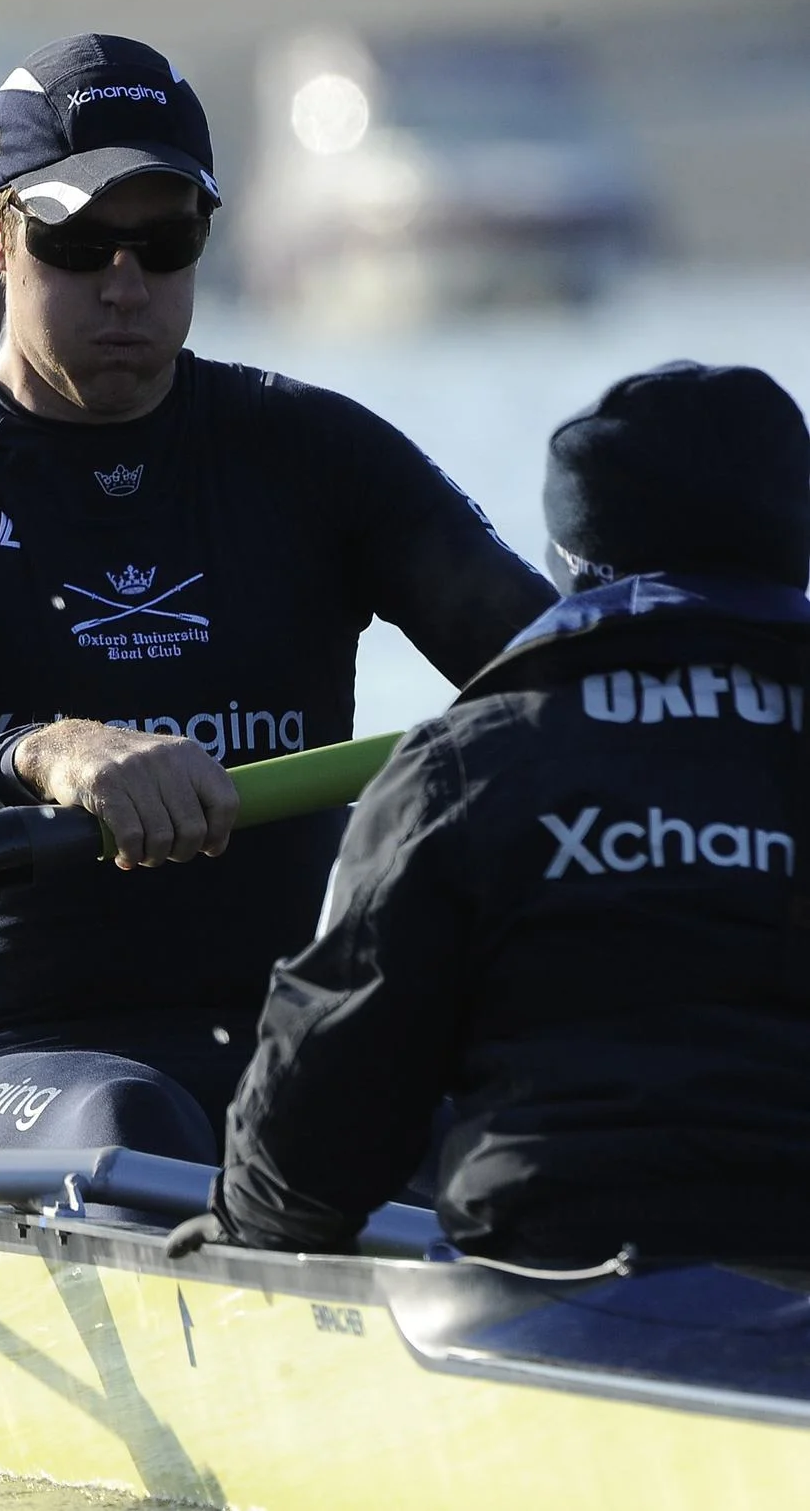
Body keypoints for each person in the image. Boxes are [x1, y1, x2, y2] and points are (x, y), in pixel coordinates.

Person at [0, 33, 557, 1159]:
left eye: (162, 240)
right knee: (136, 1123)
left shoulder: (314, 451)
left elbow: (556, 663)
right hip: (10, 1060)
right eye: (77, 241)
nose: (124, 284)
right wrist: (46, 753)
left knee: (534, 1105)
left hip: (279, 1033)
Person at [186, 364, 810, 1266]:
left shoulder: (464, 764)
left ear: (577, 559)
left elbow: (326, 1112)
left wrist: (249, 1227)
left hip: (562, 1266)